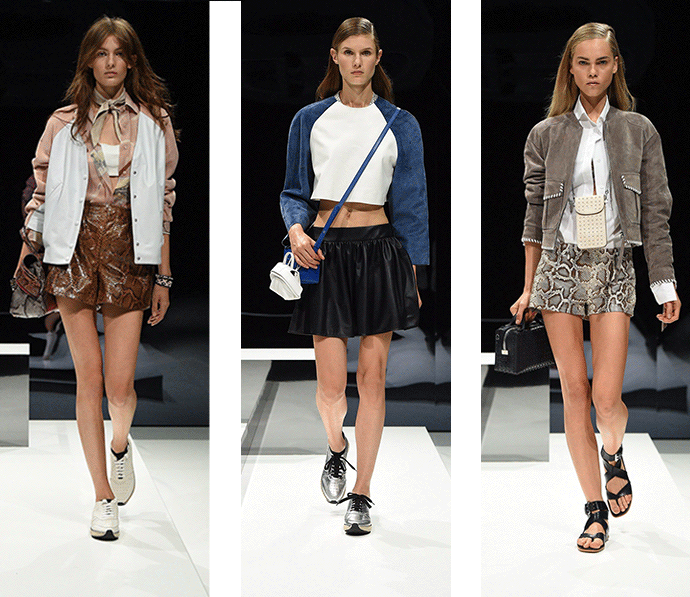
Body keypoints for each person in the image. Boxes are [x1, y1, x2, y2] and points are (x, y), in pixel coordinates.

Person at [511, 22, 681, 553]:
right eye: (582, 62)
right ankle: (593, 511)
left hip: (613, 265)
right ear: (570, 68)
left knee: (606, 400)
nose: (592, 72)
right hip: (559, 266)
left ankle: (613, 453)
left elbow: (656, 214)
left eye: (601, 62)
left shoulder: (638, 130)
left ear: (615, 66)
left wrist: (664, 284)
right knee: (573, 391)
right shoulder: (545, 134)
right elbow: (534, 220)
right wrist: (528, 288)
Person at [16, 15, 179, 541]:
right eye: (101, 52)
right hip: (73, 249)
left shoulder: (153, 121)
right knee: (88, 380)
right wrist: (28, 252)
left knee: (120, 387)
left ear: (131, 61)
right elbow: (42, 192)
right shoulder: (63, 122)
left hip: (132, 251)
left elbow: (164, 199)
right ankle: (102, 497)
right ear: (89, 60)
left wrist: (164, 275)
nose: (110, 62)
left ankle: (119, 446)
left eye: (119, 53)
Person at [280, 17, 429, 535]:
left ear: (378, 57)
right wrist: (295, 231)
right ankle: (336, 445)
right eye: (349, 52)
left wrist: (414, 273)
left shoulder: (400, 123)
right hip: (323, 252)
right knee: (330, 390)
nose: (358, 61)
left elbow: (412, 203)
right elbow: (293, 190)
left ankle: (362, 491)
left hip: (380, 251)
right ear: (335, 57)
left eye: (366, 52)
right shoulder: (309, 119)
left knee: (372, 379)